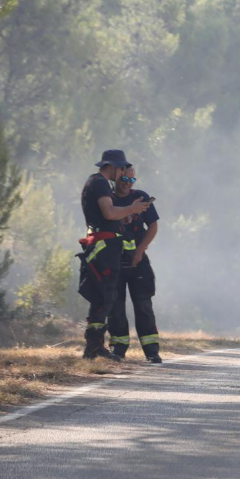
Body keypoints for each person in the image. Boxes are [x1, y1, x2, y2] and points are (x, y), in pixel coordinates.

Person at [77, 150, 151, 360]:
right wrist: (131, 208)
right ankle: (93, 348)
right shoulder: (100, 183)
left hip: (102, 245)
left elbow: (107, 216)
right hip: (104, 248)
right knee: (106, 296)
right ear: (114, 167)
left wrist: (123, 218)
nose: (122, 175)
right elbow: (109, 212)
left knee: (102, 297)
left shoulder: (96, 183)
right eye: (121, 170)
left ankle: (94, 347)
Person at [108, 165, 162, 363]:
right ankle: (118, 349)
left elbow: (153, 226)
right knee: (115, 306)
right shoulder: (107, 199)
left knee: (143, 305)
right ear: (116, 177)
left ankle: (152, 351)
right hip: (112, 261)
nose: (127, 183)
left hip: (138, 262)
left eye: (131, 180)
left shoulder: (140, 197)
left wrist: (140, 251)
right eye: (124, 178)